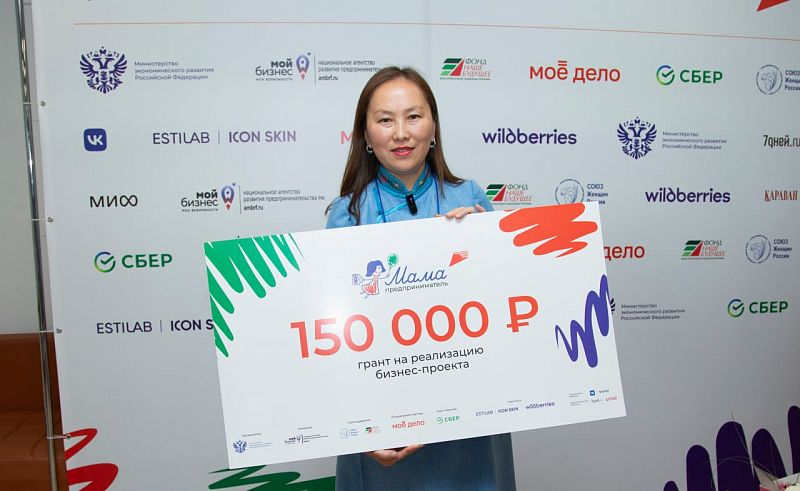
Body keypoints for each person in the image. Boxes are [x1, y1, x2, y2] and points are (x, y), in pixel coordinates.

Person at [326, 66, 516, 491]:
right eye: (385, 120)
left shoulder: (471, 199)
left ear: (433, 126)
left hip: (470, 425)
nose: (401, 133)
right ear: (366, 135)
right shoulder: (347, 214)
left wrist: (487, 247)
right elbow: (335, 341)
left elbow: (506, 313)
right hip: (383, 431)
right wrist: (358, 430)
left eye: (413, 116)